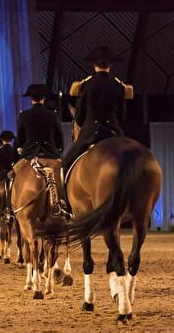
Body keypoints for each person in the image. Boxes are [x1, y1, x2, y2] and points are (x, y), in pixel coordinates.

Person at [62, 46, 128, 176]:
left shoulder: (86, 84)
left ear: (94, 64)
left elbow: (80, 116)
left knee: (65, 165)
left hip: (90, 131)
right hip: (114, 131)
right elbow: (122, 115)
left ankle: (62, 195)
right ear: (111, 65)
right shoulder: (119, 85)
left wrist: (81, 123)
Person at [16, 84, 69, 218]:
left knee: (11, 178)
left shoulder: (24, 115)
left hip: (29, 155)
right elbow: (59, 138)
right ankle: (67, 208)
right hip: (51, 154)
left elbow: (20, 138)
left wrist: (22, 148)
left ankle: (10, 210)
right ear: (44, 98)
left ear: (31, 99)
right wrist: (57, 151)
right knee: (67, 180)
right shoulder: (52, 115)